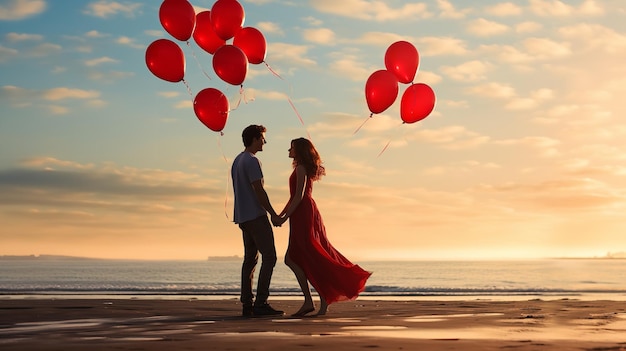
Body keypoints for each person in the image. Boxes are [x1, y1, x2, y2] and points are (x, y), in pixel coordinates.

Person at [276, 137, 372, 317]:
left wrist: (283, 217)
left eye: (292, 148)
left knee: (301, 257)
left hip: (303, 213)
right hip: (300, 212)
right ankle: (315, 300)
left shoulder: (301, 169)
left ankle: (312, 300)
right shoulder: (300, 169)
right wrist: (281, 216)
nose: (289, 151)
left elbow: (298, 197)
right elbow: (294, 198)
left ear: (300, 150)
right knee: (300, 257)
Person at [231, 124, 284, 317]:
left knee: (250, 260)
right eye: (262, 138)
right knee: (269, 257)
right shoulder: (252, 161)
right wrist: (272, 212)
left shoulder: (237, 160)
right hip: (255, 215)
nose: (265, 141)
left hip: (243, 217)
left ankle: (247, 304)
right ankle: (261, 302)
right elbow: (258, 190)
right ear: (254, 138)